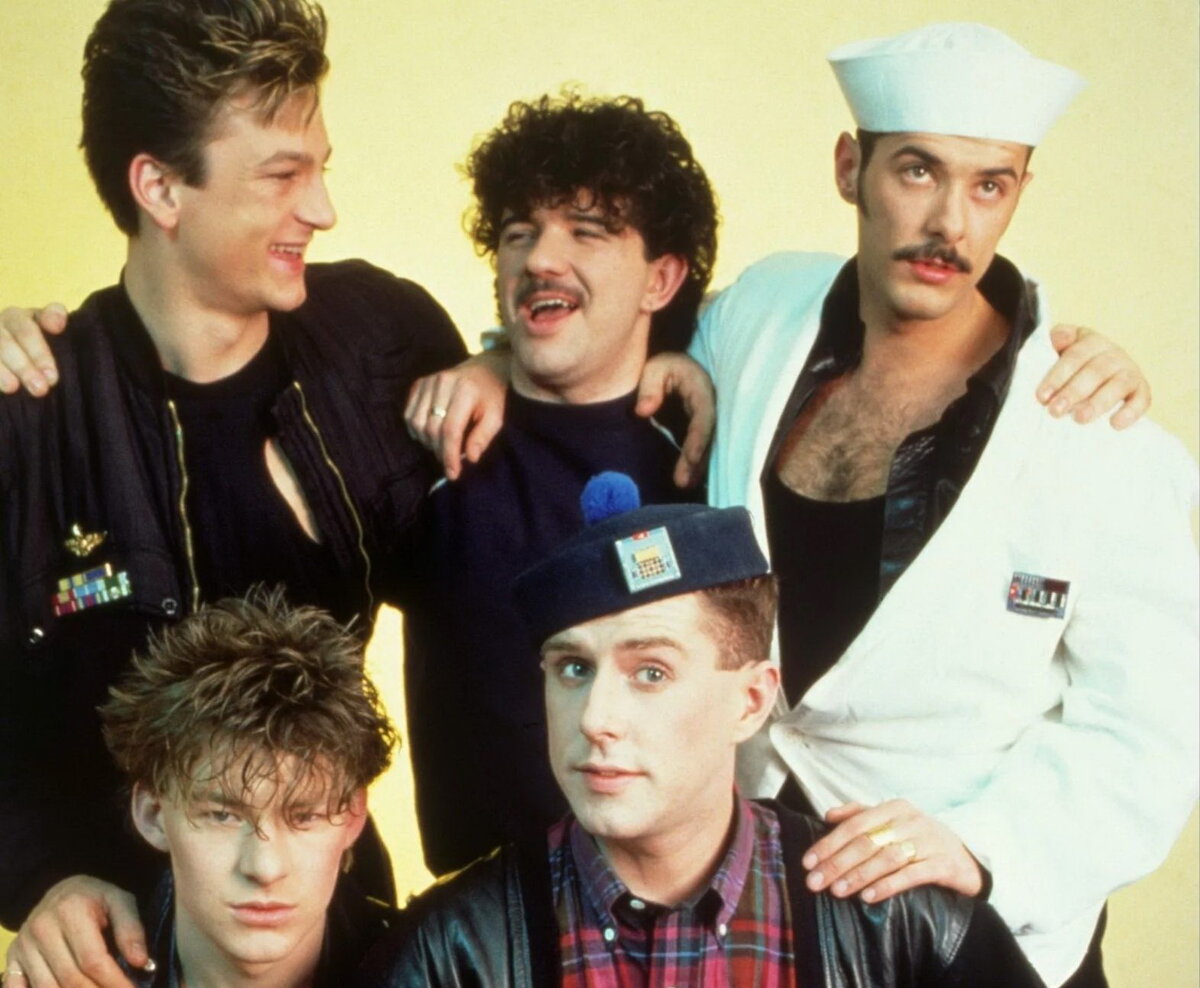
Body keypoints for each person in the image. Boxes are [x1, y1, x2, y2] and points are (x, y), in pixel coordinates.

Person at [687, 23, 1198, 987]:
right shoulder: (759, 313)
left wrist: (980, 845)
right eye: (918, 172)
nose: (950, 224)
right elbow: (612, 350)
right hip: (768, 920)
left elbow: (1150, 736)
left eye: (989, 185)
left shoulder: (1104, 441)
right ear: (851, 168)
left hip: (981, 943)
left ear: (1020, 193)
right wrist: (500, 367)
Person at [0, 0, 467, 978]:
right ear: (160, 187)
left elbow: (523, 575)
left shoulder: (384, 341)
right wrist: (37, 876)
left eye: (321, 168)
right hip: (121, 949)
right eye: (282, 176)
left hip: (345, 931)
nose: (322, 209)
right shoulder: (29, 418)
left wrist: (517, 368)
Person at [355, 473, 1043, 987]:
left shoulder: (899, 922)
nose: (594, 718)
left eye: (651, 672)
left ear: (750, 701)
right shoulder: (452, 949)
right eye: (573, 669)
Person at [398, 91, 715, 875]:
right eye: (519, 233)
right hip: (478, 913)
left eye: (587, 230)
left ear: (661, 279)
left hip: (677, 908)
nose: (540, 257)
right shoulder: (434, 440)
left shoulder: (710, 452)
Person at [90, 590, 395, 988]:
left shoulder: (429, 970)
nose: (264, 868)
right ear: (153, 815)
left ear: (353, 816)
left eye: (304, 817)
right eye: (223, 815)